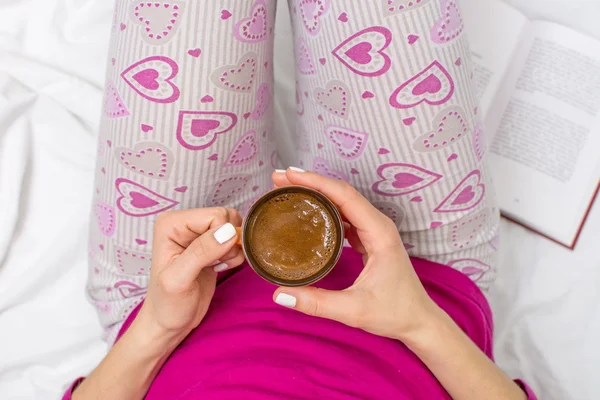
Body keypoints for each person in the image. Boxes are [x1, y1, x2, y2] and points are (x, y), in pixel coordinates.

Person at [66, 0, 536, 398]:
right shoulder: (421, 302)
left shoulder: (163, 312)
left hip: (173, 284)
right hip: (420, 277)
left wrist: (158, 326)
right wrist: (418, 321)